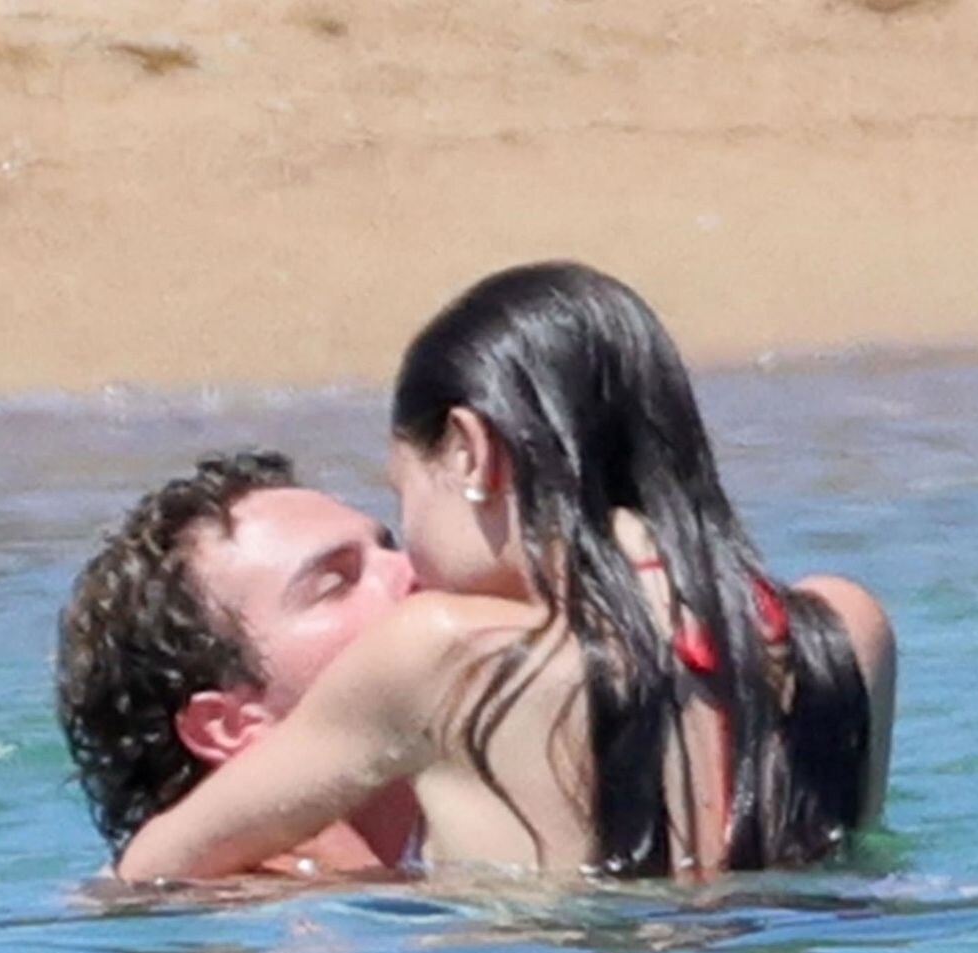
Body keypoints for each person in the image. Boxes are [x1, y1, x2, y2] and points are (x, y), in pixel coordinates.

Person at [114, 261, 896, 887]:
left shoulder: (442, 654)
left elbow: (153, 870)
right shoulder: (846, 630)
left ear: (469, 451)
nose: (411, 564)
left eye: (404, 496)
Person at [55, 450, 418, 881]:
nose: (413, 570)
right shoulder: (267, 910)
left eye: (390, 546)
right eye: (335, 583)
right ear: (228, 724)